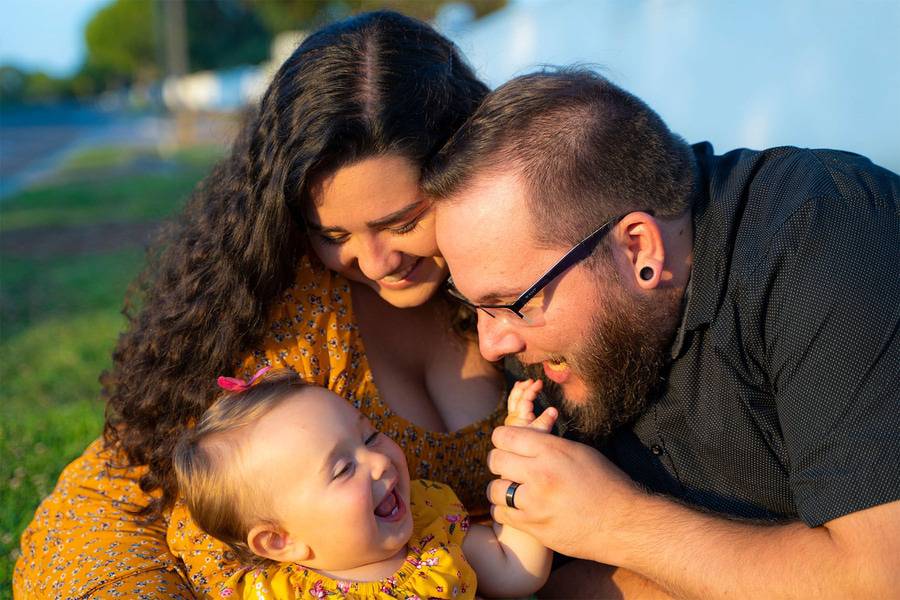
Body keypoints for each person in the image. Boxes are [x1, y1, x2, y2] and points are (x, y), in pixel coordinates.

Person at [14, 12, 507, 598]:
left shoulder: (532, 280)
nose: (376, 264)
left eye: (402, 222)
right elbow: (182, 520)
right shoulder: (285, 312)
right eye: (335, 236)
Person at [424, 67, 900, 598]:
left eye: (512, 304)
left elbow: (880, 577)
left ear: (639, 251)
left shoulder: (823, 238)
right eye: (475, 306)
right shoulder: (553, 347)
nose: (493, 344)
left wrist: (617, 523)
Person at [171, 368, 554, 598]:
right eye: (341, 469)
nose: (377, 460)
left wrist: (523, 457)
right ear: (279, 541)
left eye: (370, 436)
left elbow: (516, 570)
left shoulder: (431, 529)